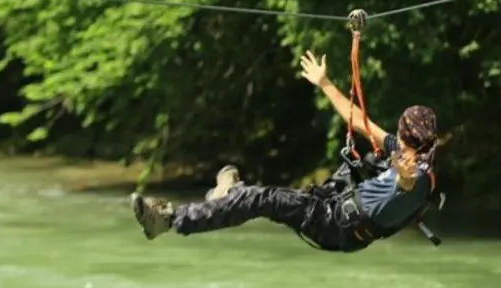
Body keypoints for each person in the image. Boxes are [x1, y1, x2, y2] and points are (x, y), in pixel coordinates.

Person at [129, 49, 439, 253]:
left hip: (335, 227)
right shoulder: (404, 149)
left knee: (264, 199)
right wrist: (324, 83)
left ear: (408, 134)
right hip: (333, 209)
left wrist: (403, 176)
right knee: (261, 199)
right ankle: (228, 195)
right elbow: (360, 121)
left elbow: (407, 185)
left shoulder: (418, 176)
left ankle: (170, 219)